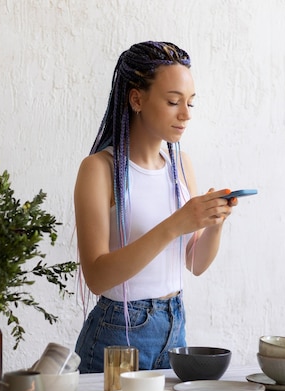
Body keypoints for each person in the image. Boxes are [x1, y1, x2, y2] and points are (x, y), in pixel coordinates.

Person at [74, 41, 238, 373]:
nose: (186, 114)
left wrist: (214, 223)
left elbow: (194, 263)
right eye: (173, 101)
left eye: (191, 103)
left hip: (174, 324)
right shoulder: (99, 169)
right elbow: (96, 276)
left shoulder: (182, 167)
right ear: (137, 98)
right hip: (118, 333)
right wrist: (176, 224)